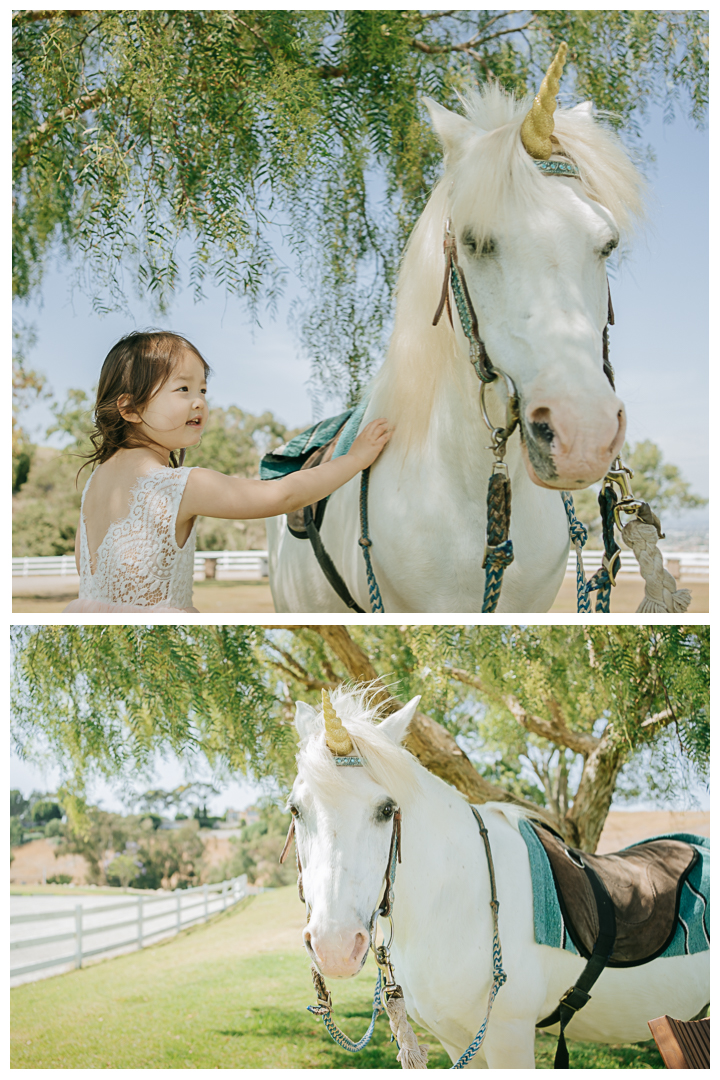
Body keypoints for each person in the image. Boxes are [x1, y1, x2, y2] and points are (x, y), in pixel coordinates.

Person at [64, 330, 391, 613]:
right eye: (183, 389)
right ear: (130, 408)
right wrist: (354, 459)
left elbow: (87, 567)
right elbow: (285, 494)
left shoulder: (94, 485)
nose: (199, 402)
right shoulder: (177, 486)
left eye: (203, 390)